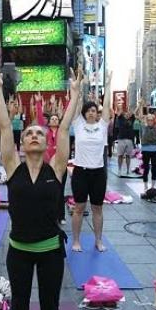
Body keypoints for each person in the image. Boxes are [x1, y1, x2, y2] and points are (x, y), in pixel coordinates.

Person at [0, 63, 81, 310]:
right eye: (29, 133)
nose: (33, 135)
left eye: (39, 133)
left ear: (47, 142)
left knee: (49, 307)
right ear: (22, 143)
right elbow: (5, 126)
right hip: (18, 251)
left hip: (50, 253)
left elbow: (65, 129)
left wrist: (75, 93)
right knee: (19, 307)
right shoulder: (12, 166)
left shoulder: (55, 168)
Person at [70, 71, 111, 253]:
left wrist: (108, 86)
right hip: (80, 172)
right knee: (79, 207)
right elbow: (75, 103)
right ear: (85, 113)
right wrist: (77, 86)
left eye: (94, 110)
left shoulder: (102, 125)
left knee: (97, 208)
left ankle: (98, 240)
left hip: (98, 173)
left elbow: (108, 107)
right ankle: (76, 240)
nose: (92, 113)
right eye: (89, 110)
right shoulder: (78, 124)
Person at [136, 99, 156, 192]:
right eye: (149, 120)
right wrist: (140, 105)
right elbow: (140, 116)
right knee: (146, 168)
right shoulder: (144, 126)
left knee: (154, 168)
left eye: (152, 120)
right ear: (147, 120)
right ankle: (145, 185)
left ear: (154, 120)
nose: (150, 121)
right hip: (146, 150)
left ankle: (153, 186)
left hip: (154, 150)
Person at [113, 105, 136, 176]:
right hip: (121, 139)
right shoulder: (120, 118)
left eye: (128, 113)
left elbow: (133, 112)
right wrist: (119, 107)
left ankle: (128, 169)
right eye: (125, 113)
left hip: (129, 140)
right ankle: (119, 169)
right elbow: (119, 112)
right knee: (120, 155)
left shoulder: (131, 119)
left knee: (128, 156)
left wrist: (139, 105)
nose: (127, 114)